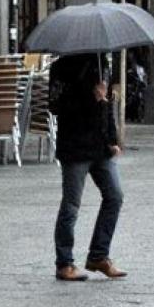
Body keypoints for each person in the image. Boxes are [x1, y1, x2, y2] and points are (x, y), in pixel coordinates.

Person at [49, 54, 127, 281]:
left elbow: (107, 104)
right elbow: (55, 106)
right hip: (75, 147)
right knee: (71, 205)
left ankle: (98, 255)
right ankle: (64, 263)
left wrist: (113, 139)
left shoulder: (102, 63)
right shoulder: (61, 67)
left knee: (114, 196)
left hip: (100, 147)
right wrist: (90, 97)